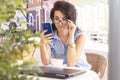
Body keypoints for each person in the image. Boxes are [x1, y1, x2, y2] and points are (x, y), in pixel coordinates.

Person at [40, 1, 91, 69]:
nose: (60, 23)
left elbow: (72, 63)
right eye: (57, 19)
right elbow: (45, 63)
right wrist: (42, 44)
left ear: (70, 20)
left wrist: (71, 36)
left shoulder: (80, 36)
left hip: (80, 71)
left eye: (64, 19)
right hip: (61, 72)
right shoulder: (50, 36)